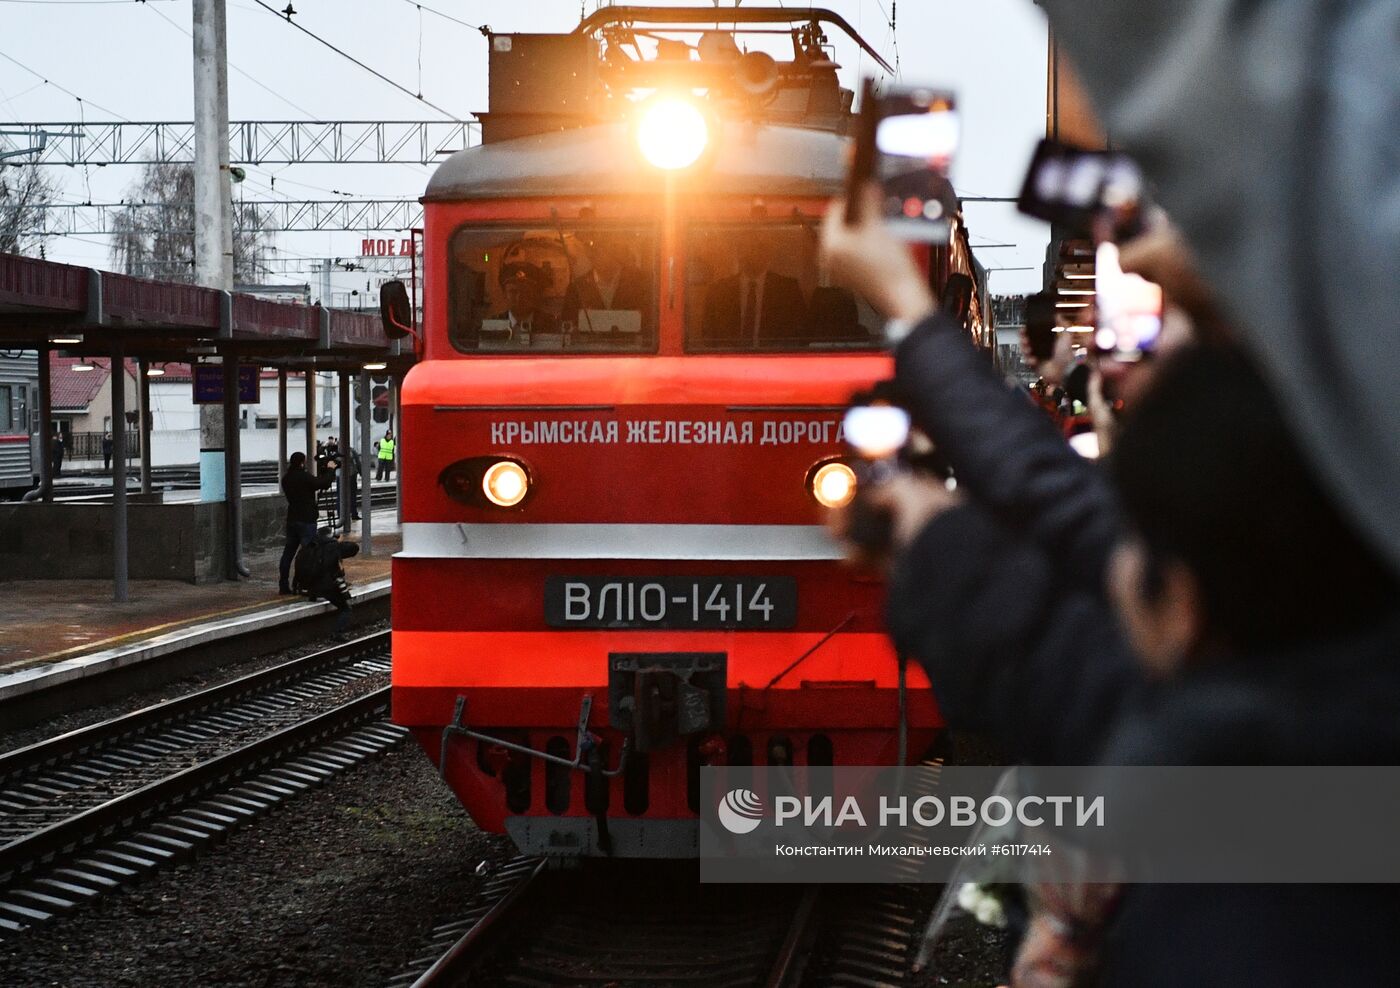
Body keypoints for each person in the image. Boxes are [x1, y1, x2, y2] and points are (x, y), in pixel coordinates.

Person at [700, 236, 806, 346]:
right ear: (739, 253)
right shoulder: (718, 291)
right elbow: (708, 334)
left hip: (774, 359)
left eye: (759, 248)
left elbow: (799, 333)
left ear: (768, 254)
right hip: (728, 360)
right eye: (746, 248)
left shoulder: (788, 290)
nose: (753, 253)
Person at [277, 450, 336, 596]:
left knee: (288, 554)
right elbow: (322, 483)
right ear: (302, 462)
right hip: (307, 520)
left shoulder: (286, 479)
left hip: (292, 519)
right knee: (309, 554)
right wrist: (330, 470)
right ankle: (306, 584)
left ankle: (283, 585)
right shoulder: (303, 477)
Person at [561, 233, 649, 330]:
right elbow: (567, 324)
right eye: (593, 250)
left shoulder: (640, 283)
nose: (595, 255)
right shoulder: (577, 288)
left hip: (633, 344)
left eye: (602, 249)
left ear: (613, 252)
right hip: (589, 345)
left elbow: (651, 323)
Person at [294, 528, 360, 636]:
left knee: (321, 585)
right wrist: (339, 542)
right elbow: (354, 548)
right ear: (331, 536)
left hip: (307, 587)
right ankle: (337, 633)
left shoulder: (307, 547)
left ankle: (313, 595)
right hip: (326, 587)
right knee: (346, 608)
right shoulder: (333, 547)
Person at [490, 262, 557, 338]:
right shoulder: (493, 326)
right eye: (513, 292)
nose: (519, 297)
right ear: (504, 294)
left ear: (534, 294)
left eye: (525, 291)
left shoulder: (550, 325)